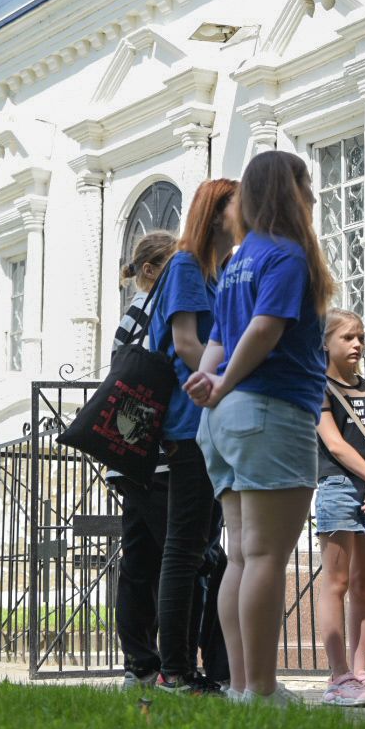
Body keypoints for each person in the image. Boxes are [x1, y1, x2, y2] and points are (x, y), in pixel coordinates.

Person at [185, 151, 332, 706]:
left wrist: (208, 384)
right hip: (268, 410)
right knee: (266, 556)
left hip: (224, 420)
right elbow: (267, 330)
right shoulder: (288, 256)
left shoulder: (239, 261)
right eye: (306, 185)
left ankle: (244, 686)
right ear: (289, 192)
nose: (313, 196)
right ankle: (262, 689)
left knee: (242, 556)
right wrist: (219, 384)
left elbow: (221, 339)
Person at [142, 178, 240, 696]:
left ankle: (192, 665)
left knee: (204, 548)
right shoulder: (185, 266)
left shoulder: (221, 273)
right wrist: (225, 384)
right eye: (238, 204)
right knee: (184, 548)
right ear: (216, 212)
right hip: (189, 421)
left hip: (212, 419)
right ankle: (172, 669)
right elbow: (185, 344)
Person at [313, 309, 365, 708]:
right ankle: (338, 674)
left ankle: (362, 672)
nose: (358, 345)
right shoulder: (320, 387)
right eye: (347, 338)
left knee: (364, 583)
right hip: (339, 488)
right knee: (338, 582)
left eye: (360, 337)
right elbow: (335, 444)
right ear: (326, 343)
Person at [110, 230, 179, 690]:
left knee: (140, 559)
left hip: (129, 455)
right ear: (152, 270)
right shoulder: (154, 312)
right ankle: (170, 661)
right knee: (184, 556)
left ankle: (141, 662)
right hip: (157, 457)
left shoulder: (130, 318)